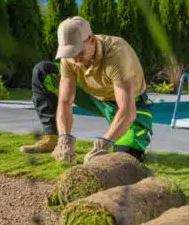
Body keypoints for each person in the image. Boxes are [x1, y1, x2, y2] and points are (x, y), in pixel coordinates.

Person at [20, 16, 153, 164]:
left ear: (91, 39)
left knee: (126, 155)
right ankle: (52, 138)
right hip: (93, 96)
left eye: (79, 52)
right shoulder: (70, 57)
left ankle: (126, 145)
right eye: (70, 53)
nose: (75, 60)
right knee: (43, 71)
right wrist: (64, 139)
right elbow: (65, 102)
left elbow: (127, 110)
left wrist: (104, 144)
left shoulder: (116, 54)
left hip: (128, 103)